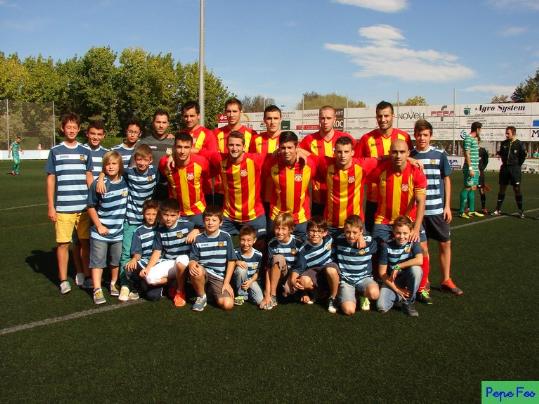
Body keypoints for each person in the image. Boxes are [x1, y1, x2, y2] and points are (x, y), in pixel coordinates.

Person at [368, 139, 430, 303]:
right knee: (375, 250)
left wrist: (416, 229)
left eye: (402, 152)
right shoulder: (380, 169)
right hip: (384, 220)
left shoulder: (416, 172)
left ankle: (421, 288)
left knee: (423, 249)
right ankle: (377, 283)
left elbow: (421, 201)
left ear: (408, 153)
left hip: (408, 222)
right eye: (394, 152)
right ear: (389, 153)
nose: (398, 155)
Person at [411, 120, 463, 296]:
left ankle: (446, 279)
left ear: (430, 136)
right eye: (419, 135)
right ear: (414, 135)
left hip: (437, 209)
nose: (422, 138)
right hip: (418, 212)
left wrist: (447, 206)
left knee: (445, 244)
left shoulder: (440, 154)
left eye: (425, 135)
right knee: (423, 249)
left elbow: (446, 179)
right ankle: (425, 281)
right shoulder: (410, 155)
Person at [46, 112, 93, 294]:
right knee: (63, 244)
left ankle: (87, 276)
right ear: (62, 129)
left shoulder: (85, 151)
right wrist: (51, 206)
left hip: (83, 208)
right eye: (68, 127)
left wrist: (92, 202)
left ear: (79, 129)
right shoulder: (55, 151)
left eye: (75, 127)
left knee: (84, 243)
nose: (71, 130)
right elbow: (51, 179)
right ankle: (63, 280)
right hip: (63, 208)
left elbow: (89, 177)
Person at [355, 101, 413, 232]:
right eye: (380, 116)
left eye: (386, 116)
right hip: (374, 199)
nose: (383, 119)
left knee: (402, 240)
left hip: (400, 199)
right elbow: (357, 163)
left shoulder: (404, 137)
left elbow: (409, 161)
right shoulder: (366, 139)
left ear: (393, 116)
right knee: (374, 240)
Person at [204, 131, 267, 241]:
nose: (234, 148)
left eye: (238, 145)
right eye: (231, 145)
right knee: (223, 249)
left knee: (259, 252)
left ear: (244, 147)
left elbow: (278, 155)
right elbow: (199, 152)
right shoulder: (219, 159)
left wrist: (299, 151)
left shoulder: (255, 160)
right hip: (229, 218)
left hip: (254, 217)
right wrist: (172, 156)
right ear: (227, 146)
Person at [87, 151, 129, 305]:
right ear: (103, 166)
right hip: (101, 232)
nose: (110, 167)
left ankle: (113, 283)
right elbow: (91, 206)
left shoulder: (126, 181)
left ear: (120, 166)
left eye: (114, 164)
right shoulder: (98, 183)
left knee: (115, 261)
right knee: (98, 261)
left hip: (118, 232)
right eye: (108, 164)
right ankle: (97, 289)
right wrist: (99, 226)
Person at [314, 136, 378, 234]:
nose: (343, 155)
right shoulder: (325, 163)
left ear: (352, 152)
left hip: (355, 225)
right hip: (331, 225)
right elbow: (308, 157)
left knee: (364, 248)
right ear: (334, 153)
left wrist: (409, 159)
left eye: (346, 152)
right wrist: (297, 152)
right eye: (339, 152)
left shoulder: (363, 165)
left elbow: (383, 159)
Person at [262, 131, 317, 240]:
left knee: (301, 253)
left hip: (300, 219)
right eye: (283, 148)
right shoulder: (271, 162)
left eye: (290, 147)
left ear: (297, 147)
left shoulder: (309, 164)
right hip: (277, 218)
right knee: (274, 253)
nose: (286, 151)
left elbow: (327, 162)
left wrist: (303, 152)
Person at [299, 105, 354, 215]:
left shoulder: (345, 138)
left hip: (341, 196)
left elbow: (356, 162)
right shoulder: (308, 140)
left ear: (335, 119)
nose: (325, 121)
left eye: (328, 118)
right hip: (318, 196)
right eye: (322, 118)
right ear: (319, 119)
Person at [140, 198, 197, 303]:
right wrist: (147, 268)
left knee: (180, 261)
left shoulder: (187, 225)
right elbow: (157, 252)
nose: (168, 219)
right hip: (170, 262)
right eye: (166, 215)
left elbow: (205, 229)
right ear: (161, 214)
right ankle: (172, 281)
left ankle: (180, 291)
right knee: (149, 278)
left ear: (178, 215)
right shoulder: (160, 230)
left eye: (172, 215)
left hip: (185, 261)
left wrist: (196, 231)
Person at [188, 206, 237, 312]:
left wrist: (227, 282)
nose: (210, 223)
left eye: (214, 220)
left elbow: (232, 261)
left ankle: (210, 292)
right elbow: (193, 259)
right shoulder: (198, 238)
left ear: (221, 223)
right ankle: (201, 297)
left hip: (218, 277)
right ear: (203, 221)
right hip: (204, 272)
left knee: (227, 305)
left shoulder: (226, 237)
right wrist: (191, 263)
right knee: (197, 269)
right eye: (207, 220)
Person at [159, 132, 212, 227]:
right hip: (175, 212)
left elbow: (206, 183)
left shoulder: (201, 162)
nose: (182, 151)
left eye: (186, 147)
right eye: (179, 147)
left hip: (197, 211)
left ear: (191, 148)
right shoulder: (165, 163)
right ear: (174, 147)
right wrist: (171, 156)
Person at [212, 97, 257, 206]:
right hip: (221, 189)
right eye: (228, 111)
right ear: (225, 113)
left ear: (241, 112)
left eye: (235, 111)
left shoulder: (251, 134)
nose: (231, 114)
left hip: (243, 189)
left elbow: (255, 160)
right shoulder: (215, 133)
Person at [377, 216, 423, 317]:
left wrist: (398, 266)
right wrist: (398, 289)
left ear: (411, 232)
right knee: (381, 307)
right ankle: (400, 296)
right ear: (393, 232)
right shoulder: (386, 246)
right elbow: (382, 273)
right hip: (392, 281)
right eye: (398, 233)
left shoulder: (413, 242)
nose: (402, 236)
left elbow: (420, 260)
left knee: (416, 270)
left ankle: (409, 302)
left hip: (407, 278)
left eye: (405, 233)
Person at [333, 215, 379, 315]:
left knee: (374, 294)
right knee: (349, 311)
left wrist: (362, 237)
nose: (351, 235)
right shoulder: (338, 239)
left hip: (364, 278)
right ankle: (347, 294)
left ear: (361, 231)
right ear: (343, 231)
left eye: (355, 232)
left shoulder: (370, 242)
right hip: (346, 280)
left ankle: (363, 295)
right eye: (348, 232)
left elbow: (379, 246)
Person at [292, 216, 339, 313]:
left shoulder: (329, 239)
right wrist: (293, 280)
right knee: (303, 281)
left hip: (328, 267)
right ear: (307, 232)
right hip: (315, 272)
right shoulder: (303, 250)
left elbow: (347, 235)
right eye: (312, 231)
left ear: (325, 233)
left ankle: (333, 298)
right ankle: (319, 292)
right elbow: (299, 269)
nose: (315, 234)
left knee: (331, 269)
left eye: (319, 231)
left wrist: (360, 237)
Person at [259, 212, 303, 311]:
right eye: (277, 228)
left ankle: (297, 292)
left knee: (289, 293)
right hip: (279, 275)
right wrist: (267, 294)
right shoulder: (272, 243)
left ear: (290, 230)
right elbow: (268, 269)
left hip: (293, 276)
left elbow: (302, 265)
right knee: (278, 258)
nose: (279, 232)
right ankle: (273, 295)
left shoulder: (298, 242)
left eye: (283, 229)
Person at [249, 105, 282, 216]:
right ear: (264, 120)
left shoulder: (287, 139)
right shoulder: (256, 139)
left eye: (275, 118)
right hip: (259, 191)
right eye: (269, 118)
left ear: (280, 119)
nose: (272, 122)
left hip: (280, 192)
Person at [124, 199, 159, 301]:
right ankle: (137, 289)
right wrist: (134, 259)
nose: (151, 217)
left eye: (154, 214)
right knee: (129, 268)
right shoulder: (138, 231)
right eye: (148, 214)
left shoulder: (161, 228)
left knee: (153, 296)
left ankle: (161, 287)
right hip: (145, 261)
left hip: (159, 262)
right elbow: (138, 252)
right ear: (143, 214)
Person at [136, 109, 174, 200]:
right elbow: (134, 165)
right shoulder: (143, 143)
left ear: (168, 124)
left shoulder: (174, 143)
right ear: (153, 123)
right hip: (147, 189)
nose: (161, 125)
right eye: (158, 122)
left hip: (169, 189)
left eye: (164, 122)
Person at [492, 126, 527, 218]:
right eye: (506, 133)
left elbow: (523, 156)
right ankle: (497, 209)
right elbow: (502, 153)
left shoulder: (519, 144)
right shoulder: (504, 143)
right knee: (502, 188)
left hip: (515, 169)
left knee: (517, 189)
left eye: (508, 133)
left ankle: (520, 210)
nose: (506, 135)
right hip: (505, 169)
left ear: (513, 133)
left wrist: (516, 165)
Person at [458, 122, 484, 219]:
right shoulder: (468, 139)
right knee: (467, 187)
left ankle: (471, 211)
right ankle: (461, 211)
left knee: (473, 188)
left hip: (475, 168)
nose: (480, 131)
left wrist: (477, 168)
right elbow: (467, 154)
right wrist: (470, 168)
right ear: (477, 129)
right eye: (480, 129)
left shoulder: (474, 139)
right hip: (470, 168)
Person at [233, 225, 264, 306]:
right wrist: (236, 262)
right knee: (241, 269)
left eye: (249, 240)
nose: (245, 243)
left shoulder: (258, 255)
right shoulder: (235, 252)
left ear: (254, 240)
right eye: (243, 240)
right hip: (238, 280)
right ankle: (241, 295)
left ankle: (248, 292)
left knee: (259, 300)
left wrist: (250, 281)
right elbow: (228, 264)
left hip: (251, 280)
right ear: (239, 239)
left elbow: (258, 272)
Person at [478, 145, 490, 215]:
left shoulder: (482, 150)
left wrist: (482, 168)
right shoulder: (470, 149)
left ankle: (483, 207)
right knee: (470, 190)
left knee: (481, 190)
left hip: (480, 172)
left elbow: (486, 160)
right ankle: (469, 207)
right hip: (472, 172)